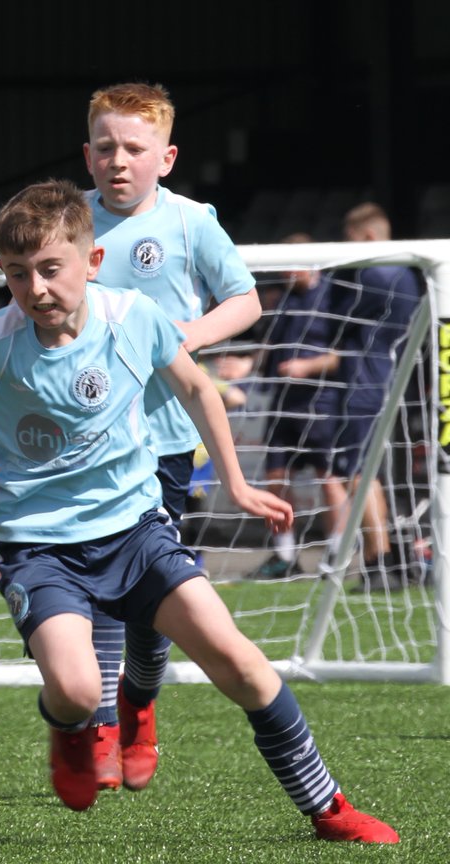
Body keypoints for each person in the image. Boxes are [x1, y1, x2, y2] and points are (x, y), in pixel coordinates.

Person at [0, 179, 398, 842]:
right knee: (80, 691)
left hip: (138, 535)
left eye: (51, 269)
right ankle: (71, 731)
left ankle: (328, 809)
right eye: (18, 274)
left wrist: (236, 481)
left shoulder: (133, 316)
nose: (36, 288)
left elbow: (198, 387)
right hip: (41, 552)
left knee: (241, 663)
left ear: (92, 263)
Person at [79, 81, 262, 791]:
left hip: (163, 440)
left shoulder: (190, 223)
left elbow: (244, 298)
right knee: (91, 585)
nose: (118, 160)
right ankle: (94, 722)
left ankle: (140, 702)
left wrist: (189, 333)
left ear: (167, 156)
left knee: (149, 598)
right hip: (88, 437)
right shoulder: (70, 222)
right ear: (87, 154)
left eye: (134, 148)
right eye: (105, 147)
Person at [326, 203, 423, 591]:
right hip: (399, 380)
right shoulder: (410, 274)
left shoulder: (368, 273)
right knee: (383, 475)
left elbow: (335, 319)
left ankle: (377, 561)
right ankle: (399, 557)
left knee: (357, 472)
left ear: (366, 236)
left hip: (366, 383)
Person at [247, 233, 341, 580]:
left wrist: (307, 367)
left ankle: (338, 551)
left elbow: (345, 356)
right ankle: (284, 556)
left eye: (291, 263)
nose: (286, 271)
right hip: (282, 404)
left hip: (321, 404)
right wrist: (248, 365)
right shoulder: (285, 299)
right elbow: (271, 347)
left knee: (328, 477)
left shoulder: (333, 297)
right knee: (275, 477)